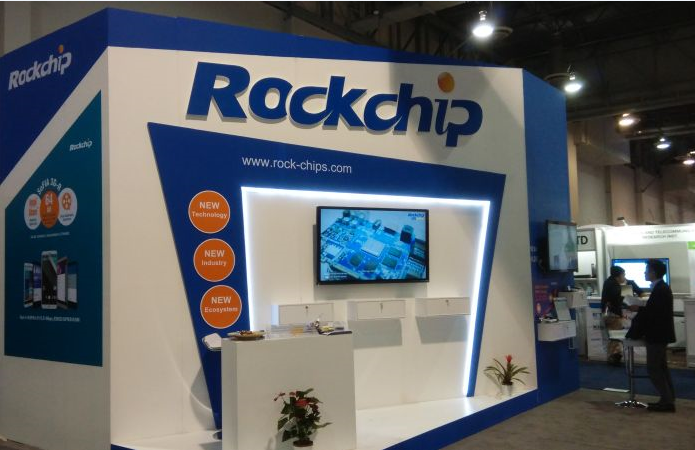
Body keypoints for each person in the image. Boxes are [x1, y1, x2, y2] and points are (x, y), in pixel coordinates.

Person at [628, 259, 676, 412]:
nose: (644, 273)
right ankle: (668, 399)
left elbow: (655, 313)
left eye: (647, 270)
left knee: (654, 368)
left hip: (657, 335)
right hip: (659, 334)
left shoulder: (661, 289)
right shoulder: (661, 288)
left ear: (653, 272)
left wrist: (639, 309)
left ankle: (667, 402)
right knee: (661, 367)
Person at [601, 266, 629, 365]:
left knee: (613, 337)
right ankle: (613, 359)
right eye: (623, 275)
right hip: (613, 315)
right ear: (618, 275)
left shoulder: (608, 282)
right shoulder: (615, 286)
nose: (625, 277)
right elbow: (619, 299)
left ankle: (613, 357)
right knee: (615, 338)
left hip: (608, 314)